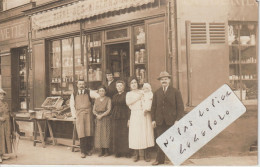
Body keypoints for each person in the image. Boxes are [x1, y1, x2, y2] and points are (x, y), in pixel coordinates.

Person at [151, 71, 184, 165]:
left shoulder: (175, 92)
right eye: (162, 79)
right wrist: (153, 120)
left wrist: (178, 120)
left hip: (172, 121)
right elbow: (153, 107)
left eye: (165, 79)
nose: (164, 81)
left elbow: (180, 107)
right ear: (160, 81)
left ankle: (175, 159)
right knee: (160, 141)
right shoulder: (157, 92)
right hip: (160, 121)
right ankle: (159, 160)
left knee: (173, 140)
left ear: (169, 80)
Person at [126, 77, 154, 162]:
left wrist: (146, 108)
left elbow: (149, 98)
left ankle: (146, 154)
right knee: (135, 134)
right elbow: (128, 103)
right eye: (132, 83)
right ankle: (136, 154)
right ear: (129, 85)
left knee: (145, 133)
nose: (134, 84)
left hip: (144, 113)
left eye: (135, 82)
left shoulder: (143, 91)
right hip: (135, 114)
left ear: (137, 83)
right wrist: (139, 97)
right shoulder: (129, 94)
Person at [70, 79, 96, 158]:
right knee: (82, 133)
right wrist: (74, 116)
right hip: (79, 115)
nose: (81, 85)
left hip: (88, 115)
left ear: (84, 85)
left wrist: (94, 108)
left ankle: (89, 150)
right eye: (79, 84)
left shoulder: (89, 92)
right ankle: (83, 151)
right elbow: (72, 105)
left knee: (89, 132)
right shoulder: (74, 94)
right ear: (77, 85)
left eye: (82, 84)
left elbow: (99, 97)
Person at [111, 80, 130, 158]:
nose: (119, 87)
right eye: (118, 86)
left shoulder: (126, 95)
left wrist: (129, 118)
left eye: (120, 86)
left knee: (124, 134)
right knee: (116, 134)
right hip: (116, 116)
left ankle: (126, 152)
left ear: (124, 87)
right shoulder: (114, 96)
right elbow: (112, 106)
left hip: (124, 115)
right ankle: (117, 151)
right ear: (116, 87)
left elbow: (128, 107)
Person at [93, 85, 111, 157]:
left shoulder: (108, 99)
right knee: (99, 134)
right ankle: (101, 151)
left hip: (105, 118)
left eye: (103, 91)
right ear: (98, 92)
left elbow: (109, 109)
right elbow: (93, 109)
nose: (101, 92)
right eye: (100, 91)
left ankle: (106, 151)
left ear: (105, 92)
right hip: (98, 118)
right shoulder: (96, 99)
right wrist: (97, 115)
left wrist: (102, 115)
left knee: (105, 134)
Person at [0, 88, 12, 163]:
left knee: (5, 137)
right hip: (0, 123)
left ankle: (2, 154)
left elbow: (8, 112)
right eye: (0, 94)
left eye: (3, 94)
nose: (2, 96)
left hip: (6, 124)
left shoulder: (5, 103)